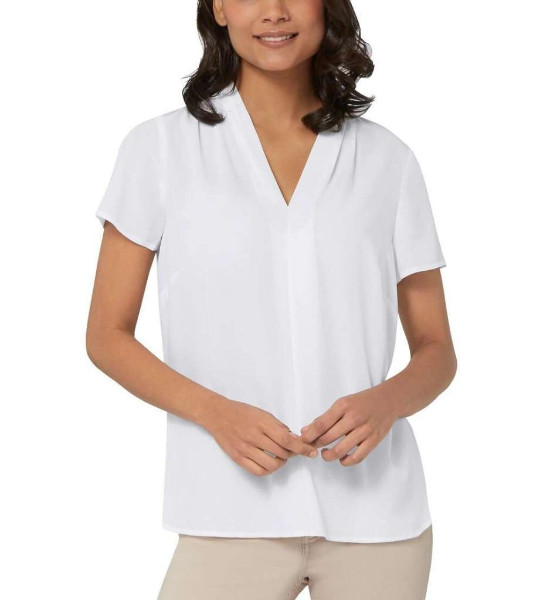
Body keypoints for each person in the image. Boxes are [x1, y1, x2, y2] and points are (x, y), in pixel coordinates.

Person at [86, 0, 457, 598]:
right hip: (226, 510)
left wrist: (387, 402)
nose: (275, 12)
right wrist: (215, 413)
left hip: (377, 518)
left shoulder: (388, 160)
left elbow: (437, 349)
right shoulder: (158, 149)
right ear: (219, 7)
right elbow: (106, 335)